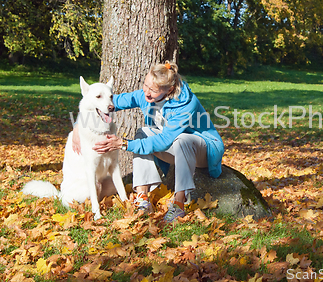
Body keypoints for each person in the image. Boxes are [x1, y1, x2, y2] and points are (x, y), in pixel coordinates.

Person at [72, 62, 224, 223]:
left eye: (152, 90)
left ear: (169, 90)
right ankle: (142, 198)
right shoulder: (145, 95)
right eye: (145, 85)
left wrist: (124, 144)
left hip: (204, 149)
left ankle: (179, 204)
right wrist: (78, 125)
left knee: (182, 139)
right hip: (177, 149)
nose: (146, 92)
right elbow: (102, 102)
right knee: (142, 133)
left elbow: (164, 141)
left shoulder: (186, 104)